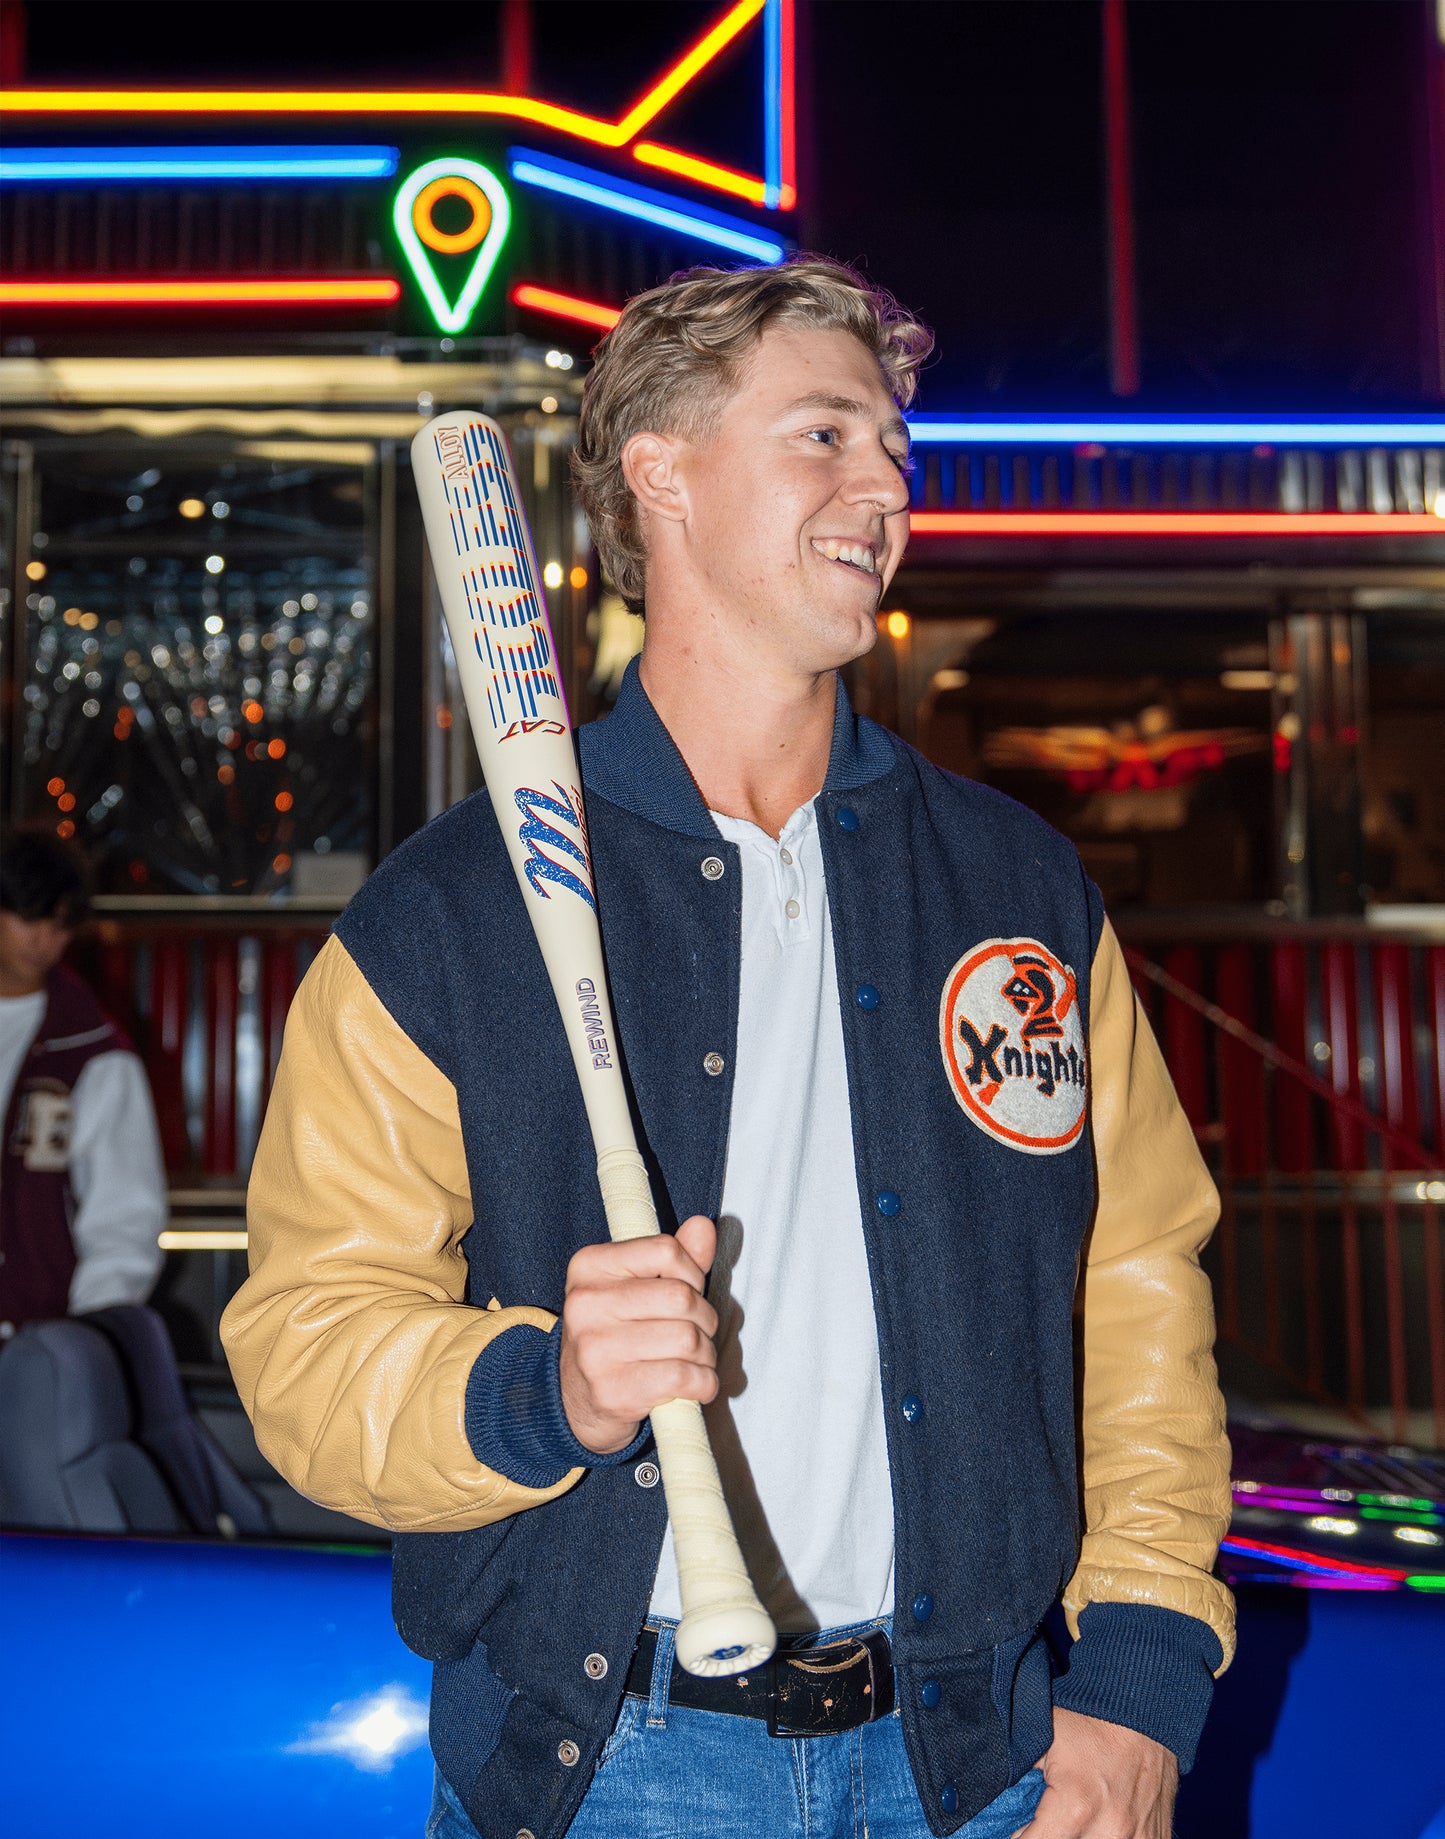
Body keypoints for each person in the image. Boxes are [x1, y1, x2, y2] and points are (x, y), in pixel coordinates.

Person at [223, 258, 1233, 1839]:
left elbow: (1136, 1283)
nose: (886, 482)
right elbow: (301, 1341)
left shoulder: (1013, 886)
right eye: (825, 434)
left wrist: (1143, 1662)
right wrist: (540, 1381)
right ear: (662, 471)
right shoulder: (445, 915)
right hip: (610, 1755)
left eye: (895, 445)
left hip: (984, 1752)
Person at [0, 828, 167, 1339]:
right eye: (31, 917)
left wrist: (81, 1338)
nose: (47, 940)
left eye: (62, 924)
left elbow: (125, 1219)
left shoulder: (92, 1053)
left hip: (35, 1347)